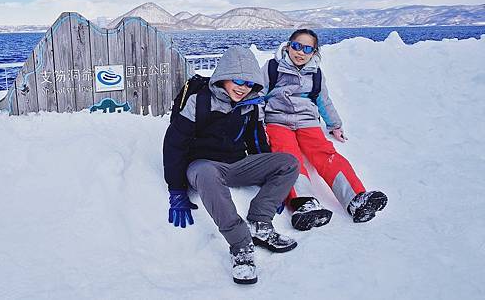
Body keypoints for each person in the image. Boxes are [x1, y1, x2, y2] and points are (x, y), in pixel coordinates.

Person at [163, 46, 300, 285]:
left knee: (288, 163)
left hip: (237, 164)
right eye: (237, 80)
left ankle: (260, 221)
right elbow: (174, 145)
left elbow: (257, 142)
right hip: (203, 166)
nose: (242, 87)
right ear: (223, 76)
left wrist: (270, 185)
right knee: (206, 172)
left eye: (248, 83)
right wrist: (176, 190)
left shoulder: (251, 104)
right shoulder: (200, 101)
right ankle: (240, 244)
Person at [262, 29, 387, 231]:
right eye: (296, 46)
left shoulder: (316, 73)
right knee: (289, 157)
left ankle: (356, 198)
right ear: (288, 46)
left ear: (314, 52)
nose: (300, 52)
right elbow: (259, 95)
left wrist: (334, 125)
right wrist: (259, 123)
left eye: (307, 48)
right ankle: (304, 204)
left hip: (307, 121)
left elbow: (323, 101)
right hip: (277, 120)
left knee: (326, 154)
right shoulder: (272, 67)